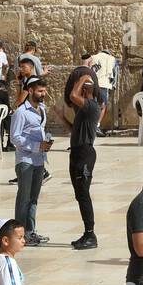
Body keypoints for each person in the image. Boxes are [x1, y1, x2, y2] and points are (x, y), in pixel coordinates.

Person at [10, 76, 52, 247]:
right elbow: (15, 137)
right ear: (31, 91)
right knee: (24, 198)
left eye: (44, 90)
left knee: (34, 198)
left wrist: (46, 142)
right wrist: (36, 145)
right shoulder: (21, 112)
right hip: (26, 160)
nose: (44, 94)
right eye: (40, 91)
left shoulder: (41, 109)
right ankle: (19, 235)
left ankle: (30, 231)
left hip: (39, 160)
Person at [65, 77, 102, 250]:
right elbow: (75, 129)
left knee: (84, 194)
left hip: (85, 154)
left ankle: (90, 234)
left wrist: (82, 78)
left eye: (82, 88)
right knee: (80, 194)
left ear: (88, 90)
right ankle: (87, 233)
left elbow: (73, 95)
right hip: (76, 152)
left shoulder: (92, 106)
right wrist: (60, 116)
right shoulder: (84, 109)